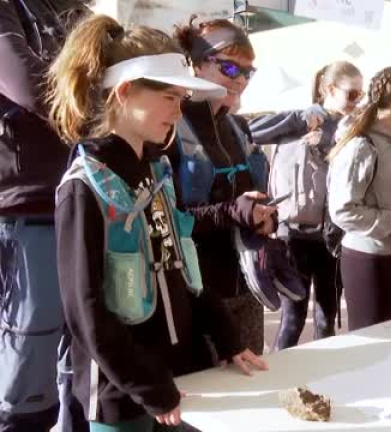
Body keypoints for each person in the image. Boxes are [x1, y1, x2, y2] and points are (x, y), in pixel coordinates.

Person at [50, 15, 267, 431]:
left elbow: (180, 266)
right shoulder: (84, 187)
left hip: (177, 380)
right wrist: (147, 386)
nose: (178, 110)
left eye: (182, 97)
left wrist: (226, 337)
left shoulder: (156, 171)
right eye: (169, 96)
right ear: (125, 91)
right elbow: (85, 311)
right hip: (122, 399)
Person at [0, 1, 90, 431]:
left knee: (77, 373)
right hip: (25, 211)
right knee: (25, 386)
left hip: (81, 202)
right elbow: (28, 85)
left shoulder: (77, 10)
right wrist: (106, 102)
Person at [172, 17, 276, 357]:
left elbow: (252, 200)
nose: (241, 79)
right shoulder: (171, 128)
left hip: (247, 285)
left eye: (248, 72)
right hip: (197, 292)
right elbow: (172, 221)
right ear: (196, 65)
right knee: (208, 386)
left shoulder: (238, 127)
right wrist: (235, 212)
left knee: (252, 379)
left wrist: (265, 216)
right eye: (230, 68)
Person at [249, 61, 364, 349]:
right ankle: (281, 373)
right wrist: (299, 120)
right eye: (352, 94)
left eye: (360, 95)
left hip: (332, 238)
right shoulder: (299, 121)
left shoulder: (353, 130)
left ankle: (323, 373)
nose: (357, 101)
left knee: (326, 319)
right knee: (293, 319)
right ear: (331, 89)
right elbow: (250, 132)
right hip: (293, 235)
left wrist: (327, 142)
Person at [328, 66, 391, 331]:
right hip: (371, 261)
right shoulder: (361, 146)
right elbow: (343, 211)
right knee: (373, 346)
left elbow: (389, 193)